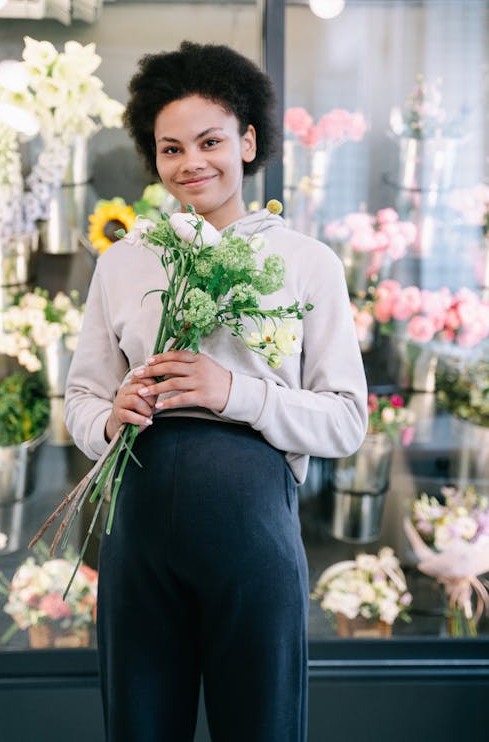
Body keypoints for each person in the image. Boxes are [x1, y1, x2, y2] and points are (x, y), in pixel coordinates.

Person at [64, 41, 368, 742]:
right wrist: (110, 420)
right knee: (138, 730)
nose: (191, 163)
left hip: (253, 537)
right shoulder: (124, 261)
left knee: (260, 728)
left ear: (248, 140)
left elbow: (347, 421)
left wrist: (236, 392)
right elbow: (81, 396)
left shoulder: (305, 262)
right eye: (170, 148)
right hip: (135, 537)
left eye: (209, 141)